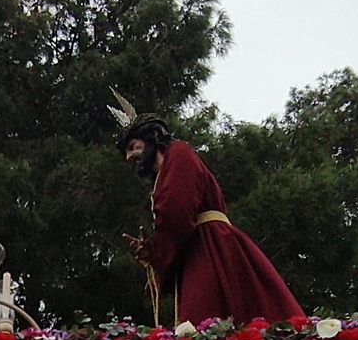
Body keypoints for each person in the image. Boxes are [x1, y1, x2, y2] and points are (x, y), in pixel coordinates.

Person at [112, 92, 305, 327]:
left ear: (152, 137)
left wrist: (157, 250)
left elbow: (177, 212)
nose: (129, 157)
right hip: (200, 245)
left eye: (133, 147)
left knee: (204, 322)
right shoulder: (164, 173)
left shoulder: (178, 153)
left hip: (210, 245)